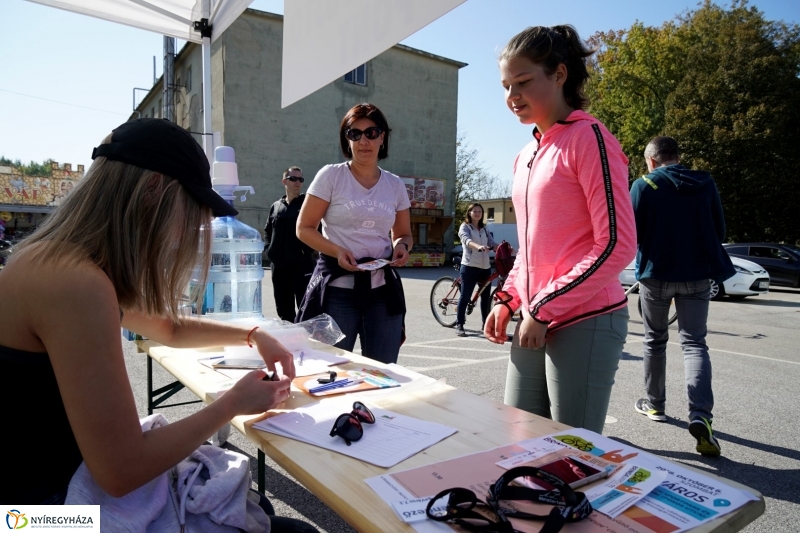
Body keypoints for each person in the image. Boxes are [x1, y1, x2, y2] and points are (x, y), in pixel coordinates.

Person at [0, 118, 318, 532]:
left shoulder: (53, 261)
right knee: (289, 528)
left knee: (250, 507)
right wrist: (230, 404)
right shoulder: (75, 284)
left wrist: (252, 334)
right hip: (36, 518)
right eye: (190, 214)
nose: (186, 232)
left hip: (33, 501)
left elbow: (169, 329)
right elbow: (121, 471)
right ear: (153, 193)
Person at [484, 25, 637, 435]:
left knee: (571, 454)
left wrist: (544, 306)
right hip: (535, 314)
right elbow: (532, 251)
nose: (512, 97)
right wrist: (507, 299)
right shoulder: (527, 153)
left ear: (559, 75)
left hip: (585, 316)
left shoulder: (590, 138)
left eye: (523, 82)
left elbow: (618, 244)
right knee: (519, 439)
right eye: (505, 86)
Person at [631, 136, 734, 457]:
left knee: (654, 341)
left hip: (656, 275)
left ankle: (655, 404)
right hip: (698, 275)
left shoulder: (644, 184)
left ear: (651, 160)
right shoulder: (704, 183)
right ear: (678, 157)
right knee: (694, 343)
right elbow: (720, 232)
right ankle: (701, 415)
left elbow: (630, 233)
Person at [296, 103, 412, 364]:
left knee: (383, 370)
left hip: (382, 291)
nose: (364, 141)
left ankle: (371, 408)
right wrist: (337, 251)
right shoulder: (331, 176)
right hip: (338, 291)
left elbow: (403, 233)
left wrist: (402, 246)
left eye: (371, 132)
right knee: (330, 369)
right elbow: (303, 228)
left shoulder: (394, 185)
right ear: (346, 139)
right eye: (355, 133)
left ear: (382, 137)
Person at [264, 166, 316, 322]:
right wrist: (269, 250)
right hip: (279, 268)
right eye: (293, 178)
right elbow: (267, 230)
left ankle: (305, 343)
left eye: (301, 179)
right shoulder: (276, 206)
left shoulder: (307, 205)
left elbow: (317, 229)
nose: (297, 182)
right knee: (284, 310)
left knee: (305, 310)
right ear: (284, 181)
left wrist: (307, 251)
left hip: (302, 267)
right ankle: (289, 343)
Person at [455, 203, 497, 337]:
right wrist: (478, 246)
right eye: (475, 211)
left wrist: (503, 247)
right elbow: (466, 240)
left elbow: (492, 243)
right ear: (469, 213)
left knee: (485, 298)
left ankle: (486, 325)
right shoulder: (465, 227)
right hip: (469, 266)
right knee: (465, 296)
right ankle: (459, 324)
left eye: (479, 211)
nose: (477, 213)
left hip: (485, 267)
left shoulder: (484, 228)